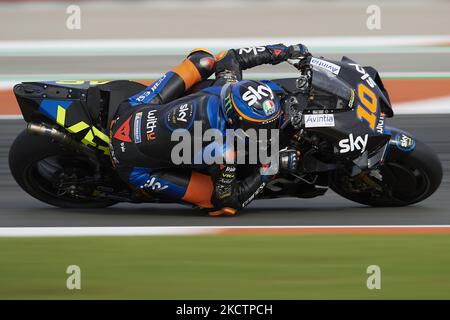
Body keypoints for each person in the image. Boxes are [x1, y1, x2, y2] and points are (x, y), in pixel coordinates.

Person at [109, 43, 310, 216]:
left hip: (132, 110)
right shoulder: (223, 151)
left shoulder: (227, 85)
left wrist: (284, 52)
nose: (268, 129)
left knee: (204, 59)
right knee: (215, 205)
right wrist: (273, 166)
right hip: (131, 161)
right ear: (237, 124)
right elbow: (230, 200)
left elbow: (230, 57)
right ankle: (148, 183)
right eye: (259, 126)